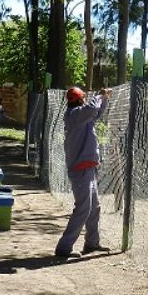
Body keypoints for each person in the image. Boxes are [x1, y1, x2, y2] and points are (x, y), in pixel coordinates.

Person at [55, 86, 112, 258]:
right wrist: (100, 95)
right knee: (83, 208)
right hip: (81, 171)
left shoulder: (81, 117)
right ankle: (64, 247)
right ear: (80, 100)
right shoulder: (75, 115)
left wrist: (104, 99)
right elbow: (92, 108)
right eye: (84, 98)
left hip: (88, 169)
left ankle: (92, 243)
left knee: (94, 208)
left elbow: (96, 113)